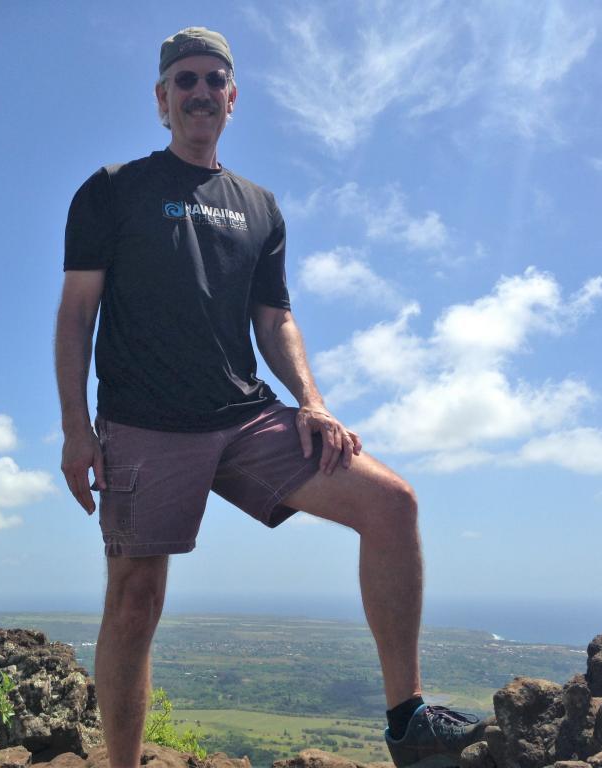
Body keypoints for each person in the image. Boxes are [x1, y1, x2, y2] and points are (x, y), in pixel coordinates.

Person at [55, 26, 483, 768]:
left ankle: (408, 722)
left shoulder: (259, 206)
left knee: (391, 504)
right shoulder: (112, 189)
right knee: (134, 601)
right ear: (162, 99)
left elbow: (274, 317)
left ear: (232, 98)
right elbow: (76, 314)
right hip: (145, 421)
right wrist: (74, 428)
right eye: (185, 80)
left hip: (245, 416)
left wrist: (311, 401)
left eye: (213, 80)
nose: (200, 92)